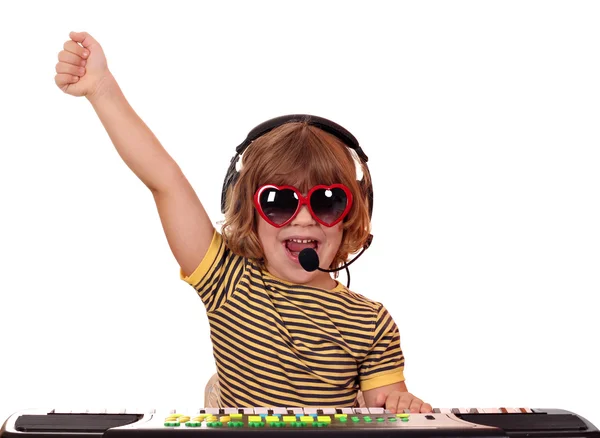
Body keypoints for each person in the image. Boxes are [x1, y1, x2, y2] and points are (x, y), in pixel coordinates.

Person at [54, 31, 433, 414]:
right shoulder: (228, 280)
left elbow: (388, 414)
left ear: (349, 215)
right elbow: (164, 180)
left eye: (326, 201)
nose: (303, 217)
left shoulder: (371, 323)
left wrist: (402, 405)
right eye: (279, 202)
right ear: (251, 216)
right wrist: (102, 88)